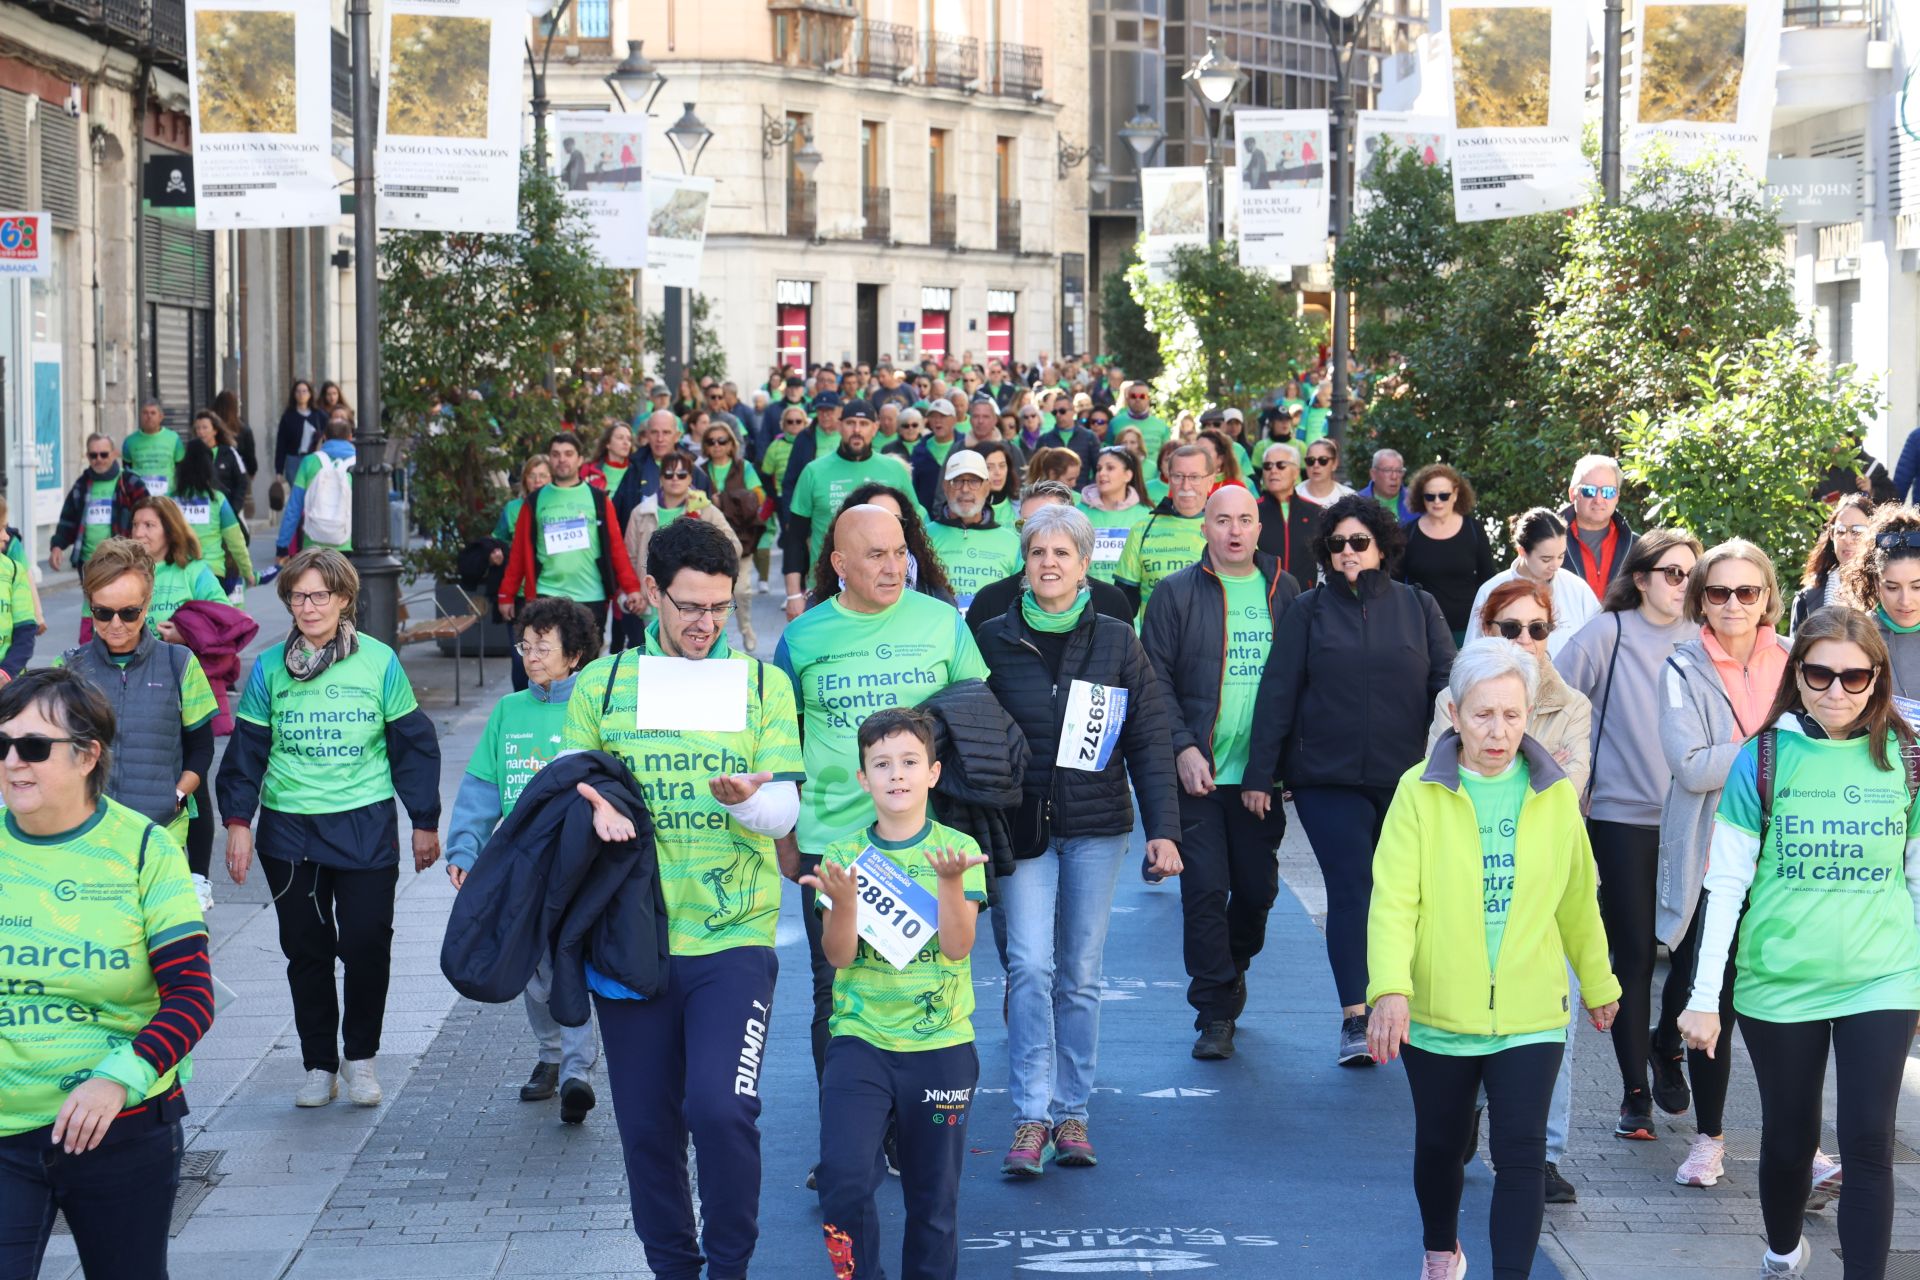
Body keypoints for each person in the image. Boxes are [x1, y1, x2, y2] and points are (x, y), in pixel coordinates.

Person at [564, 517, 803, 1280]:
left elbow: (784, 812)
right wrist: (589, 804)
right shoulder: (600, 683)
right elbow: (561, 791)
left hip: (733, 936)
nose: (706, 625)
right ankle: (675, 1269)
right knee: (647, 1130)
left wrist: (743, 802)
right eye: (689, 606)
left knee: (721, 1109)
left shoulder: (763, 683)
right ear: (650, 596)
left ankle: (729, 1268)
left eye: (719, 607)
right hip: (630, 940)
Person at [1677, 608, 1920, 1280]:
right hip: (1779, 980)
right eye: (1820, 673)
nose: (1836, 690)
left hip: (1884, 976)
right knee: (1788, 1141)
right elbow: (1723, 888)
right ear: (1798, 674)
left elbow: (1919, 878)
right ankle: (1784, 1252)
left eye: (1853, 676)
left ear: (1876, 678)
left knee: (1869, 1141)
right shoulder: (1763, 757)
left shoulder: (1907, 758)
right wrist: (1703, 1001)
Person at [1367, 640, 1622, 1280]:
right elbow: (1394, 900)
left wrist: (1599, 981)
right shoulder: (1418, 790)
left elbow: (1576, 898)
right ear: (1454, 713)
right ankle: (1440, 1251)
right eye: (1483, 715)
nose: (1499, 731)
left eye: (1513, 715)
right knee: (1441, 1148)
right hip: (1438, 1010)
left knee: (1521, 1155)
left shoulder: (1554, 793)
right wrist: (1389, 990)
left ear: (1530, 715)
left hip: (1532, 1011)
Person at [976, 504, 1183, 1172]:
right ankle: (1030, 1117)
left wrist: (1166, 833)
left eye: (1063, 554)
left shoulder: (1120, 639)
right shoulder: (991, 637)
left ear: (1085, 563)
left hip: (1097, 829)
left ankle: (1073, 1115)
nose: (1049, 564)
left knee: (1080, 975)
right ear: (1024, 561)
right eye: (1038, 553)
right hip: (1023, 832)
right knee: (1029, 966)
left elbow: (1151, 740)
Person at [775, 505, 988, 1146]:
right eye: (876, 555)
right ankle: (849, 1131)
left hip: (925, 845)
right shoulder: (803, 637)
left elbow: (979, 718)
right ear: (839, 565)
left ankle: (911, 1128)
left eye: (900, 552)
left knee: (923, 981)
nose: (894, 566)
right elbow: (780, 746)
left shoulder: (942, 622)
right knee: (835, 992)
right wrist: (786, 839)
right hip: (834, 846)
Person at [0, 668, 213, 1280]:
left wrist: (117, 1079)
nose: (15, 762)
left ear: (88, 754)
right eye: (3, 744)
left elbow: (192, 998)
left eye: (35, 747)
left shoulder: (146, 850)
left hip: (119, 1126)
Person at [217, 549, 443, 1109]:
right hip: (290, 831)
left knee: (366, 945)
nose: (308, 606)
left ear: (344, 599)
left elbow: (412, 745)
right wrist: (239, 823)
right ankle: (319, 1063)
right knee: (306, 951)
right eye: (298, 596)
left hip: (364, 824)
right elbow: (246, 753)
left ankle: (360, 1057)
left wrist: (424, 821)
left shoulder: (378, 662)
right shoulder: (270, 667)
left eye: (320, 595)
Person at [1246, 493, 1455, 1066]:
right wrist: (1261, 774)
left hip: (1406, 778)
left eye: (1359, 542)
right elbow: (1279, 692)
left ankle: (1404, 1003)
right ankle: (1354, 1019)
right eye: (1337, 544)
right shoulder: (1307, 612)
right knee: (1352, 886)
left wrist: (1455, 763)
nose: (1348, 553)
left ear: (1382, 547)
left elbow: (1447, 686)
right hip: (1325, 779)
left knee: (1406, 893)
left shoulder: (1419, 607)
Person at [804, 707, 987, 1280]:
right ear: (863, 778)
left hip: (942, 1048)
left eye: (909, 762)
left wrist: (952, 884)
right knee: (844, 1179)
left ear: (933, 772)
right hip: (860, 1043)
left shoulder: (956, 849)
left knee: (934, 1202)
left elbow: (958, 948)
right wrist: (847, 902)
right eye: (881, 764)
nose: (896, 774)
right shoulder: (841, 857)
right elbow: (837, 957)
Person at [1552, 527, 1703, 1144]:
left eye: (1692, 574)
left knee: (1694, 957)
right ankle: (1633, 1094)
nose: (1684, 586)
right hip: (1620, 817)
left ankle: (1667, 1043)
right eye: (1671, 573)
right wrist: (1575, 773)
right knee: (1635, 955)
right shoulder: (1608, 633)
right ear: (1640, 578)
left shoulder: (1707, 635)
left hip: (1697, 820)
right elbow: (1554, 698)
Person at [1140, 487, 1300, 1060]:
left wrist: (1273, 768)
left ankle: (1230, 969)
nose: (1234, 530)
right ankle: (1214, 1011)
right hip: (1197, 775)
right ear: (1204, 528)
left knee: (1256, 892)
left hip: (1261, 778)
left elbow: (1298, 685)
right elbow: (1153, 679)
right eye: (1222, 520)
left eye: (1246, 520)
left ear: (1261, 529)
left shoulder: (1287, 591)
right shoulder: (1174, 594)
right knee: (1205, 891)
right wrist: (1182, 747)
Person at [1651, 538, 1792, 1187]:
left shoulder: (1795, 659)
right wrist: (1777, 751)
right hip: (1713, 860)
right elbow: (1689, 763)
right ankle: (1709, 1139)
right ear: (1700, 597)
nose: (1733, 604)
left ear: (1768, 595)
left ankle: (1800, 1143)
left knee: (1786, 1007)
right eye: (1718, 591)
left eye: (1747, 591)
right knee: (1716, 1002)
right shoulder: (1681, 668)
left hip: (1791, 862)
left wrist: (1737, 754)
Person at [446, 597, 603, 1122]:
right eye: (525, 646)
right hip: (522, 862)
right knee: (534, 970)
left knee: (570, 962)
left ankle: (579, 1070)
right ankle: (551, 1057)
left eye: (543, 647)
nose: (531, 656)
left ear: (575, 655)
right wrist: (464, 847)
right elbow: (481, 787)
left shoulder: (595, 707)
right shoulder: (508, 711)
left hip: (582, 859)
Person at [67, 537, 221, 908]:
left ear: (147, 604)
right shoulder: (70, 669)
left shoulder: (179, 663)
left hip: (161, 837)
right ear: (91, 607)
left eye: (129, 613)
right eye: (103, 613)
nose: (116, 624)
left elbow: (201, 748)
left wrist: (178, 794)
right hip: (90, 840)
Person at [497, 431, 647, 660]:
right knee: (550, 666)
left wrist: (632, 588)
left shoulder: (598, 499)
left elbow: (616, 548)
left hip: (591, 597)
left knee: (586, 670)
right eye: (556, 454)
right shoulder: (535, 501)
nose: (562, 459)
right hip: (546, 595)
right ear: (550, 459)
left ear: (579, 459)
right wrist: (507, 595)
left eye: (568, 454)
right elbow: (518, 553)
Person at [782, 399, 918, 620]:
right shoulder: (814, 471)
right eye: (850, 423)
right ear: (839, 426)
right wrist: (792, 594)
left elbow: (914, 530)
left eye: (864, 424)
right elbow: (795, 537)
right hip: (826, 590)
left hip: (884, 588)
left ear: (875, 428)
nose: (857, 430)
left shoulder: (894, 470)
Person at [623, 453, 745, 641]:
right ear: (660, 477)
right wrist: (635, 591)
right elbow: (629, 556)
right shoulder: (641, 512)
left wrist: (706, 556)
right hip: (652, 601)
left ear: (690, 478)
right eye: (669, 474)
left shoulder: (705, 509)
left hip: (693, 602)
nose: (674, 479)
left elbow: (733, 547)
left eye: (681, 474)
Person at [1467, 508, 1600, 659]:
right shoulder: (1491, 590)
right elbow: (1471, 655)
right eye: (1546, 559)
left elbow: (1600, 640)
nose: (1555, 565)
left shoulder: (1577, 588)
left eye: (1561, 556)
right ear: (1522, 551)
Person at [810, 483, 958, 610]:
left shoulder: (937, 599)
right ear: (840, 565)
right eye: (877, 556)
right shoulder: (818, 609)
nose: (892, 570)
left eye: (896, 520)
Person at [1400, 463, 1496, 647]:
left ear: (1455, 494)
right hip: (1421, 628)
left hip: (1466, 628)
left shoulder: (1474, 529)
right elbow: (1394, 582)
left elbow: (1488, 579)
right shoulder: (1408, 534)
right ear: (1421, 497)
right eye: (1430, 496)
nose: (1437, 501)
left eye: (1443, 496)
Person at [1115, 445, 1213, 623]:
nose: (1186, 485)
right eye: (1178, 476)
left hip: (1212, 646)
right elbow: (1124, 604)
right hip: (1155, 646)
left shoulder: (1230, 529)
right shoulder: (1142, 529)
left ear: (1210, 481)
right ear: (1168, 478)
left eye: (1195, 477)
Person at [926, 450, 1022, 615]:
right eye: (957, 481)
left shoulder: (1012, 542)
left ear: (987, 487)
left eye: (974, 481)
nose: (965, 489)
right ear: (945, 486)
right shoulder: (923, 537)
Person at [1844, 503, 1920, 701]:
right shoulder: (1854, 637)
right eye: (1892, 588)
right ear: (1876, 583)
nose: (1905, 601)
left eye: (1917, 587)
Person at [699, 420, 770, 626]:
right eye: (711, 442)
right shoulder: (700, 470)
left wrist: (727, 500)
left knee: (741, 590)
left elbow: (759, 496)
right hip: (709, 539)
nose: (717, 446)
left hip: (741, 537)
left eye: (722, 441)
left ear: (731, 444)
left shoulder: (744, 467)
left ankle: (745, 626)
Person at [49, 434, 149, 577]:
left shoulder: (130, 483)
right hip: (89, 562)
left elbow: (149, 518)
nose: (99, 460)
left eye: (104, 454)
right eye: (93, 456)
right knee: (92, 600)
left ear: (114, 454)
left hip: (122, 560)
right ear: (87, 456)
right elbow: (68, 519)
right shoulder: (81, 485)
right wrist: (57, 546)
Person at [128, 498, 226, 638]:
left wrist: (186, 635)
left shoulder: (194, 571)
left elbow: (225, 615)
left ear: (170, 530)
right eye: (135, 525)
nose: (138, 533)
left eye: (149, 525)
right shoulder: (124, 572)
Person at [173, 437, 257, 594]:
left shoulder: (170, 501)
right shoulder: (218, 500)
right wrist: (248, 572)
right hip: (212, 574)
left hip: (178, 574)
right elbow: (235, 540)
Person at [277, 416, 356, 560]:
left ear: (324, 437)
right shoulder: (358, 463)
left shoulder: (310, 462)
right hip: (347, 542)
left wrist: (282, 545)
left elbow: (294, 507)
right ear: (350, 437)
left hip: (313, 543)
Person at [1791, 494, 1873, 630]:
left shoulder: (1887, 593)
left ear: (1873, 533)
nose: (1847, 539)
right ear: (1831, 535)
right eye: (1840, 531)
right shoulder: (1807, 599)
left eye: (1857, 531)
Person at [1560, 454, 1638, 596]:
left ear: (1617, 497)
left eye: (1608, 492)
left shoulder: (1638, 547)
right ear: (1572, 494)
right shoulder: (1545, 543)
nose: (1598, 499)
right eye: (1589, 490)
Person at [1076, 446, 1154, 586]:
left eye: (1110, 468)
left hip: (1130, 601)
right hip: (1085, 599)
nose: (1102, 473)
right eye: (1099, 469)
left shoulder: (1146, 514)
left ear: (1128, 475)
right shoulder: (1077, 513)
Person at [1255, 441, 1322, 583]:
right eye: (1267, 466)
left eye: (1281, 465)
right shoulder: (1251, 511)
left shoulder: (1315, 512)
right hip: (1263, 597)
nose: (1273, 470)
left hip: (1304, 599)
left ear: (1296, 472)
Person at [193, 406, 250, 521]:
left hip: (227, 512)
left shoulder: (229, 453)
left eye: (205, 428)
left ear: (215, 430)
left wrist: (234, 509)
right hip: (201, 515)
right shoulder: (192, 455)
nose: (201, 432)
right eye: (198, 428)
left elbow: (242, 482)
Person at [125, 399, 183, 498]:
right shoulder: (129, 441)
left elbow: (181, 468)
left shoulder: (174, 438)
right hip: (140, 496)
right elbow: (127, 471)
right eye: (145, 413)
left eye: (153, 413)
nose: (149, 416)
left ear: (161, 417)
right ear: (140, 416)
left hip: (167, 497)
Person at [276, 378, 324, 483]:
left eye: (304, 391)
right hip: (293, 460)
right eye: (298, 391)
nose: (301, 394)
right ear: (294, 394)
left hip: (313, 459)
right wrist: (279, 471)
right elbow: (281, 444)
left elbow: (328, 433)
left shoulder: (318, 414)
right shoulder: (288, 416)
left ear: (310, 394)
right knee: (296, 491)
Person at [1110, 381, 1172, 459]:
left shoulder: (1162, 426)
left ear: (1148, 399)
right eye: (1133, 396)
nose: (1138, 399)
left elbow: (1167, 457)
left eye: (1142, 396)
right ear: (1127, 399)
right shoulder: (1115, 423)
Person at [1357, 448, 1412, 522]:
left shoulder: (1415, 500)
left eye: (1399, 471)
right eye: (1387, 470)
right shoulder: (1358, 503)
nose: (1394, 477)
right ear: (1373, 474)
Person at [582, 420, 636, 494]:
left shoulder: (638, 471)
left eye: (629, 439)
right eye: (620, 438)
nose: (626, 443)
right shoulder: (588, 470)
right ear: (608, 443)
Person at [1299, 437, 1355, 506]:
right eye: (1311, 460)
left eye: (1323, 460)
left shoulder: (1349, 497)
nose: (1316, 465)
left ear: (1334, 464)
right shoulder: (1295, 494)